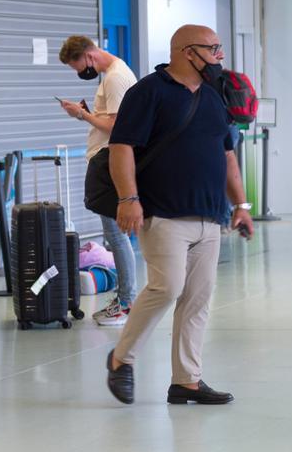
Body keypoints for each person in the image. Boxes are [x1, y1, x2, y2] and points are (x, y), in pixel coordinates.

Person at [105, 25, 255, 406]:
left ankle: (186, 380)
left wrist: (241, 206)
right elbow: (121, 148)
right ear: (188, 52)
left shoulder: (214, 97)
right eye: (213, 48)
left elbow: (227, 156)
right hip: (163, 213)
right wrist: (128, 198)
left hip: (210, 215)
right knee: (167, 287)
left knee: (197, 300)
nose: (220, 55)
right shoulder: (148, 92)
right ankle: (122, 359)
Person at [57, 36, 139, 326]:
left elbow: (117, 126)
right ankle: (126, 298)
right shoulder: (113, 75)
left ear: (90, 56)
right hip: (106, 157)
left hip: (108, 160)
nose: (79, 72)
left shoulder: (116, 78)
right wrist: (87, 116)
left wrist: (82, 115)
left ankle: (127, 301)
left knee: (116, 235)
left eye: (78, 66)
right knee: (116, 234)